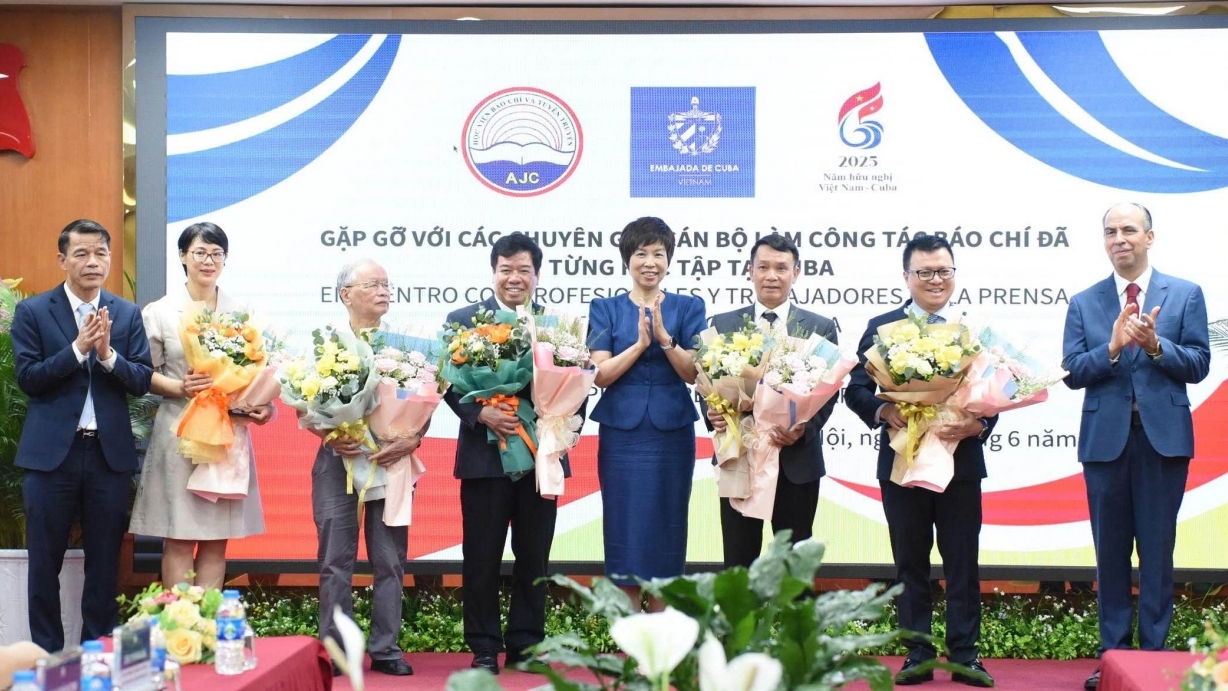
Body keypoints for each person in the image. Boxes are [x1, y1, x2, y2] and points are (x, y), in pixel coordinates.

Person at [1063, 203, 1209, 691]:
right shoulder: (1085, 302)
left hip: (1162, 444)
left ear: (1150, 237)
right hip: (1105, 444)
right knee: (1109, 555)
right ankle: (1114, 660)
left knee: (1157, 551)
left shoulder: (1185, 294)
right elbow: (1072, 372)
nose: (1119, 238)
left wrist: (1153, 346)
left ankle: (1153, 660)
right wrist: (1110, 348)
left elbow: (1198, 364)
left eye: (1129, 229)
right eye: (1110, 231)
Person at [844, 234, 995, 687]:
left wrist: (979, 427)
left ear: (954, 275)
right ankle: (918, 654)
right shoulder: (882, 326)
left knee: (963, 562)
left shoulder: (972, 331)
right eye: (925, 272)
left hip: (960, 463)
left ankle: (966, 654)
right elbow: (854, 387)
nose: (935, 280)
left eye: (944, 271)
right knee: (910, 562)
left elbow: (997, 393)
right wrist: (883, 410)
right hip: (902, 464)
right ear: (906, 276)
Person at [10, 219, 154, 653]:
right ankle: (48, 658)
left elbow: (142, 379)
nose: (93, 262)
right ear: (63, 259)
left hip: (108, 457)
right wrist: (77, 349)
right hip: (51, 458)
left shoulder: (126, 313)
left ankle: (98, 656)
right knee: (44, 567)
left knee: (105, 566)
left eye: (101, 254)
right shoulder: (34, 311)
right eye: (82, 254)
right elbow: (29, 378)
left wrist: (108, 356)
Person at [444, 233, 582, 674]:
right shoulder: (464, 320)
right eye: (506, 269)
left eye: (523, 270)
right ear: (493, 273)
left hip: (541, 456)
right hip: (485, 460)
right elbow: (445, 384)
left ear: (536, 275)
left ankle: (526, 643)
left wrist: (557, 420)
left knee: (534, 555)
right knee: (481, 555)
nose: (514, 278)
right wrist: (480, 415)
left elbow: (578, 386)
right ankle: (483, 644)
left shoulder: (558, 328)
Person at [129, 222, 270, 589]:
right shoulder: (159, 312)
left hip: (226, 437)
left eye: (216, 253)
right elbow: (144, 374)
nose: (209, 261)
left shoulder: (242, 313)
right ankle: (179, 629)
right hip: (180, 430)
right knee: (178, 535)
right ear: (182, 256)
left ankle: (205, 628)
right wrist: (180, 386)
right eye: (200, 252)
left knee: (215, 538)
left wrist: (260, 406)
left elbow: (255, 373)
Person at [588, 217, 706, 606]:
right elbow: (600, 375)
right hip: (622, 433)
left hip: (672, 432)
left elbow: (693, 373)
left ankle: (662, 636)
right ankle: (630, 638)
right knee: (624, 526)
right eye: (641, 253)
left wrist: (664, 339)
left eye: (658, 253)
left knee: (666, 526)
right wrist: (639, 345)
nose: (650, 262)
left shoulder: (689, 307)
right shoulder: (605, 309)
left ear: (669, 260)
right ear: (628, 259)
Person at [311, 259, 420, 677]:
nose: (383, 290)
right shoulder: (326, 345)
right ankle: (337, 649)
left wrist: (414, 436)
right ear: (346, 295)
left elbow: (422, 399)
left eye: (387, 284)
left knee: (390, 560)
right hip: (338, 459)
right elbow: (309, 401)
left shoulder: (406, 346)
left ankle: (386, 648)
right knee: (335, 559)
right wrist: (328, 433)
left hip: (391, 459)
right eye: (373, 284)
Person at [704, 234, 837, 567]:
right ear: (750, 271)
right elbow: (706, 382)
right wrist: (714, 414)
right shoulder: (723, 324)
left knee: (793, 568)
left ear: (797, 273)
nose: (772, 275)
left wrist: (803, 429)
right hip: (739, 456)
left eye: (781, 267)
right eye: (763, 267)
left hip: (796, 460)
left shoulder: (821, 327)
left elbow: (830, 393)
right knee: (738, 563)